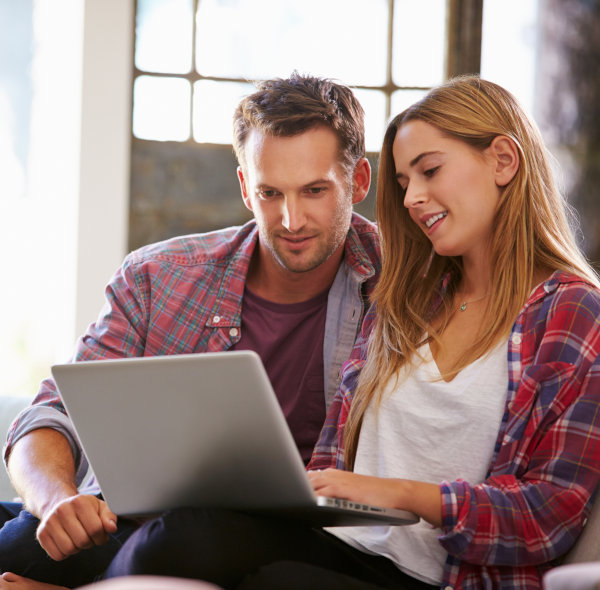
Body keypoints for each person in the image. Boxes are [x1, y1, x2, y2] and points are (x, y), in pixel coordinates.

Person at [102, 75, 600, 590]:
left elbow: (550, 513)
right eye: (404, 182)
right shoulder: (405, 298)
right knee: (181, 534)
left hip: (440, 579)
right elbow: (332, 458)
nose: (411, 199)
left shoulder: (573, 312)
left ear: (503, 160)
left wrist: (399, 494)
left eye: (429, 171)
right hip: (343, 550)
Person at [0, 72, 379, 589]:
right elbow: (49, 413)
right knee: (21, 540)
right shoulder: (160, 276)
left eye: (314, 191)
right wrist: (57, 502)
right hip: (128, 522)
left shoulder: (401, 285)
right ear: (246, 187)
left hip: (281, 539)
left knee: (186, 537)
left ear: (358, 181)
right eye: (270, 193)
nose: (291, 220)